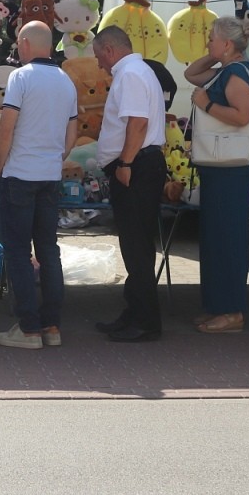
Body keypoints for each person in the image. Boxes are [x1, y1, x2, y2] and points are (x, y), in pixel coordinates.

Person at [0, 21, 78, 349]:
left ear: (25, 43)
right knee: (48, 250)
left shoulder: (20, 77)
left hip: (19, 173)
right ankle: (51, 326)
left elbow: (6, 127)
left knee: (18, 252)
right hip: (49, 175)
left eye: (18, 42)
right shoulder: (66, 80)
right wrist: (55, 157)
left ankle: (28, 328)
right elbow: (72, 133)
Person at [183, 17, 249, 333]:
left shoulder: (236, 74)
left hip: (231, 170)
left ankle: (232, 312)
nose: (207, 42)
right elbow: (191, 74)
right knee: (215, 239)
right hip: (220, 168)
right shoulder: (226, 70)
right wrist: (216, 54)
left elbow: (242, 117)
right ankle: (218, 306)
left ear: (228, 43)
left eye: (211, 38)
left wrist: (206, 105)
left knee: (227, 239)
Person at [92, 26, 167, 342]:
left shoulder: (131, 74)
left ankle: (145, 320)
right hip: (139, 164)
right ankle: (135, 312)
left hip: (136, 166)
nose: (99, 65)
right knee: (135, 245)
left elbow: (138, 124)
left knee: (137, 247)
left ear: (110, 50)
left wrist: (124, 164)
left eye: (99, 57)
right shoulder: (137, 71)